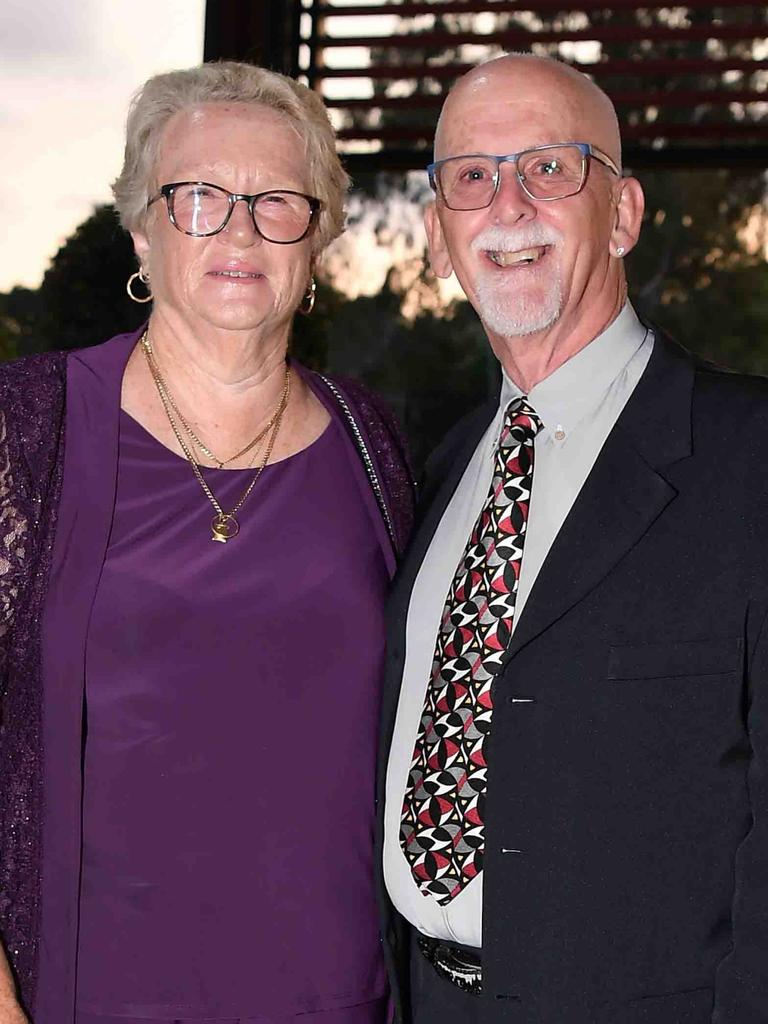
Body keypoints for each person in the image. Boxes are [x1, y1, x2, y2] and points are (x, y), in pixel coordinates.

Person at [0, 61, 414, 1024]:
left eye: (277, 199)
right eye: (199, 197)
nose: (239, 227)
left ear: (316, 240)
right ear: (143, 226)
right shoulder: (26, 427)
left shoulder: (373, 441)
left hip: (338, 995)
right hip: (87, 998)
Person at [378, 52, 768, 1024]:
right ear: (439, 234)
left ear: (624, 213)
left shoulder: (751, 453)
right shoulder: (437, 468)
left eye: (550, 168)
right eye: (472, 177)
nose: (508, 205)